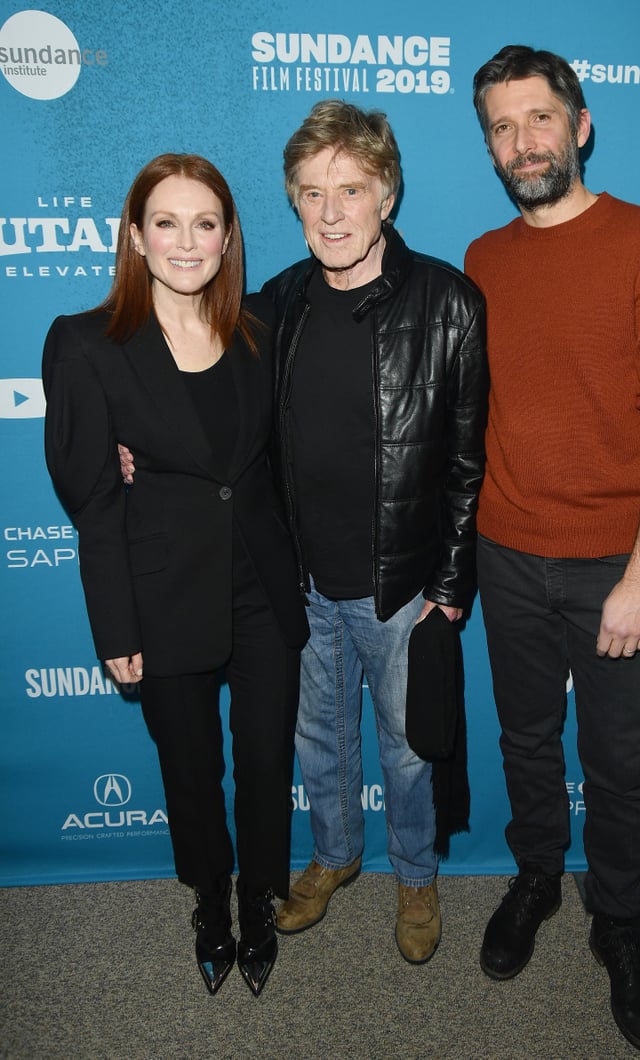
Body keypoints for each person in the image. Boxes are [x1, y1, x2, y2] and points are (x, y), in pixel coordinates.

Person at [465, 46, 640, 1053]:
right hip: (505, 554)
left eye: (537, 118)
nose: (521, 141)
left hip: (617, 564)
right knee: (524, 740)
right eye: (500, 126)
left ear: (581, 124)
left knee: (618, 761)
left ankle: (620, 923)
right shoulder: (483, 260)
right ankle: (535, 878)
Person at [42, 154, 309, 998]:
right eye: (166, 221)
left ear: (229, 236)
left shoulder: (261, 326)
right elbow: (92, 501)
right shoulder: (86, 344)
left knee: (265, 761)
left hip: (263, 587)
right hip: (160, 596)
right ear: (134, 234)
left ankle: (260, 897)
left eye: (205, 223)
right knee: (189, 769)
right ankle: (210, 901)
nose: (186, 241)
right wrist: (114, 627)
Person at [262, 100, 488, 963]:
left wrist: (448, 588)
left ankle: (417, 876)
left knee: (406, 750)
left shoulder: (448, 303)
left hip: (403, 586)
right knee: (317, 737)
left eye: (349, 189)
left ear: (385, 193)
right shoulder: (277, 302)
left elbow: (470, 464)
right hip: (305, 581)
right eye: (312, 192)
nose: (330, 212)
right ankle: (332, 857)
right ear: (293, 200)